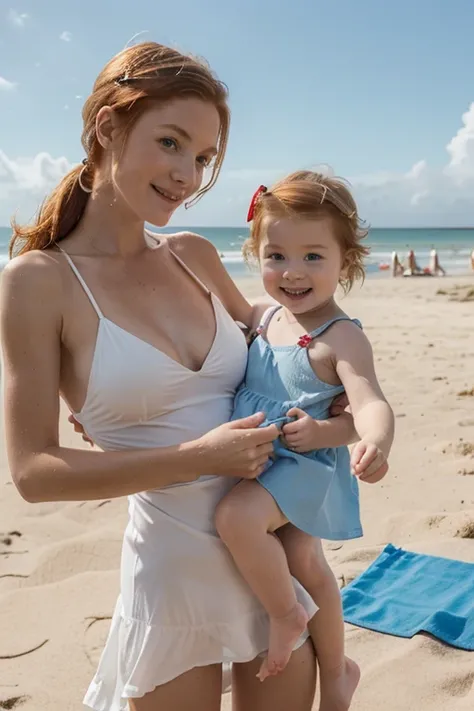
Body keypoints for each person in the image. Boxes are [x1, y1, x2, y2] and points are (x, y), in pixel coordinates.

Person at [0, 42, 355, 711]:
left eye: (203, 157)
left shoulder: (191, 254)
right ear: (107, 125)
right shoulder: (38, 283)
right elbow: (33, 472)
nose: (188, 174)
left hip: (271, 563)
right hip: (173, 585)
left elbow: (271, 330)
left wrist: (339, 366)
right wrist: (193, 457)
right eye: (171, 143)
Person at [215, 173, 394, 710]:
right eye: (276, 255)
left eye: (314, 256)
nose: (292, 272)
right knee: (303, 561)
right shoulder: (263, 315)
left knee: (235, 521)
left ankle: (285, 616)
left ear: (347, 261)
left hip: (300, 465)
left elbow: (369, 401)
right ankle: (339, 672)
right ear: (255, 254)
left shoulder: (339, 335)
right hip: (262, 462)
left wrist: (374, 440)